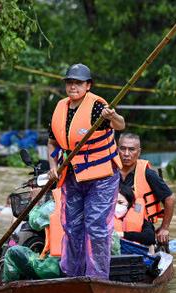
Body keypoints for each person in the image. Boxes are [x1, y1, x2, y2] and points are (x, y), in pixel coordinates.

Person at [47, 63, 125, 279]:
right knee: (71, 227)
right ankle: (72, 275)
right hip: (72, 176)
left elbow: (120, 125)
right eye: (70, 82)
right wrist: (53, 167)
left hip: (101, 178)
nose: (73, 86)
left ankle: (97, 278)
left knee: (96, 228)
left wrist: (112, 116)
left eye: (78, 83)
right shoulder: (60, 107)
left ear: (88, 85)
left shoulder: (98, 107)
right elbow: (52, 142)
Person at [118, 133, 175, 245]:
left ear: (139, 152)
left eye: (131, 150)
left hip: (141, 227)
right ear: (117, 150)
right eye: (123, 149)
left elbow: (170, 198)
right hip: (112, 225)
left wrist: (164, 228)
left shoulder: (147, 174)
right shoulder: (109, 172)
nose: (126, 154)